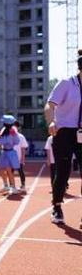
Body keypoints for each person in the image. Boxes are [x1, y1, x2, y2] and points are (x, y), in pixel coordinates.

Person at [44, 49, 82, 226]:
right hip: (64, 132)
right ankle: (57, 207)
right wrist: (52, 122)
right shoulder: (67, 84)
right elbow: (50, 105)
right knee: (63, 171)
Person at [0, 115, 21, 195]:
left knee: (9, 170)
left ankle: (13, 187)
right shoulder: (3, 130)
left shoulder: (13, 131)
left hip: (10, 152)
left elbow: (16, 141)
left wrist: (13, 135)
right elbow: (1, 141)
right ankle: (6, 185)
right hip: (4, 152)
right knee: (1, 169)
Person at [13, 120, 29, 191]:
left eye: (15, 126)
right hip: (10, 158)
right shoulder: (9, 136)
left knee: (20, 172)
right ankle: (12, 185)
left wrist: (22, 159)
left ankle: (23, 185)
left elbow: (23, 148)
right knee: (10, 172)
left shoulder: (21, 137)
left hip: (18, 158)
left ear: (18, 128)